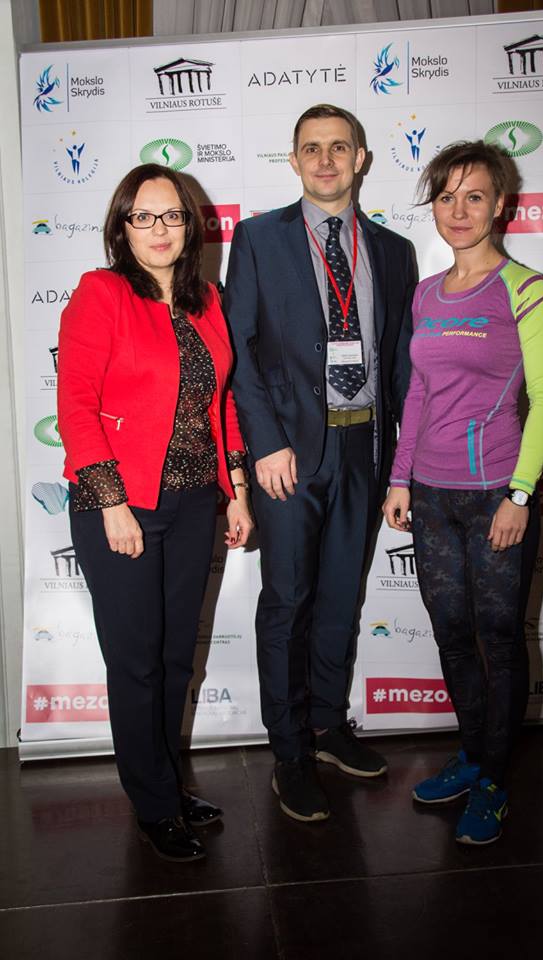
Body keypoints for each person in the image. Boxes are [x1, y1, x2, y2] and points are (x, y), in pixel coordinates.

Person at [224, 104, 416, 822]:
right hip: (290, 456)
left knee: (341, 596)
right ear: (294, 160)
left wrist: (401, 465)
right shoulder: (257, 239)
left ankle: (330, 725)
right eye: (312, 148)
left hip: (365, 447)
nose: (326, 160)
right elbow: (239, 351)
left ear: (361, 158)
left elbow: (400, 363)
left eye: (339, 147)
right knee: (288, 602)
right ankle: (290, 752)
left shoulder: (394, 251)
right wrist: (265, 443)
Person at [57, 163, 253, 862]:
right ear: (123, 227)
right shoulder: (102, 293)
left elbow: (221, 403)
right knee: (137, 662)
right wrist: (113, 504)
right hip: (120, 504)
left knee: (173, 660)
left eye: (173, 215)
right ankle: (153, 805)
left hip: (195, 502)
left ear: (192, 228)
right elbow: (75, 404)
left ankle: (167, 783)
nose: (160, 228)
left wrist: (236, 488)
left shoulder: (207, 301)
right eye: (144, 216)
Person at [383, 141, 543, 846]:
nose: (458, 211)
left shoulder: (528, 290)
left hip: (495, 495)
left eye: (474, 196)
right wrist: (400, 476)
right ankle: (472, 753)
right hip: (431, 495)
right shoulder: (427, 294)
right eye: (446, 196)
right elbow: (418, 393)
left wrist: (520, 494)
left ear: (500, 205)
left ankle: (493, 780)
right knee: (452, 634)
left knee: (499, 640)